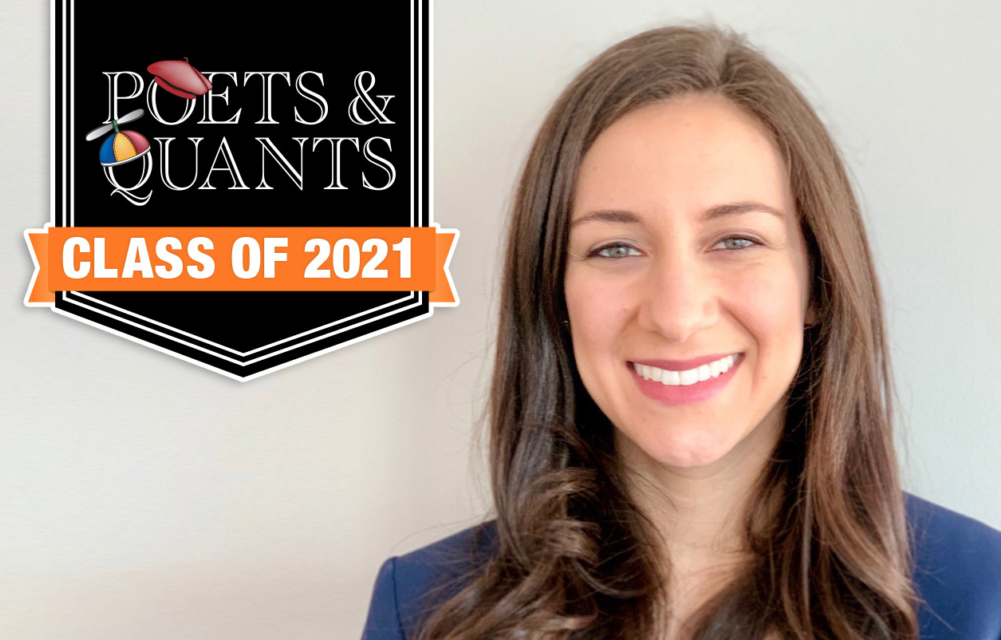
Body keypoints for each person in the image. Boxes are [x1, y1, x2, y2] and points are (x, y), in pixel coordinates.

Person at [361, 24, 1001, 640]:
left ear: (818, 281)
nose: (675, 314)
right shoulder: (420, 607)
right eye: (615, 248)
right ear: (554, 294)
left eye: (736, 240)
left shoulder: (982, 596)